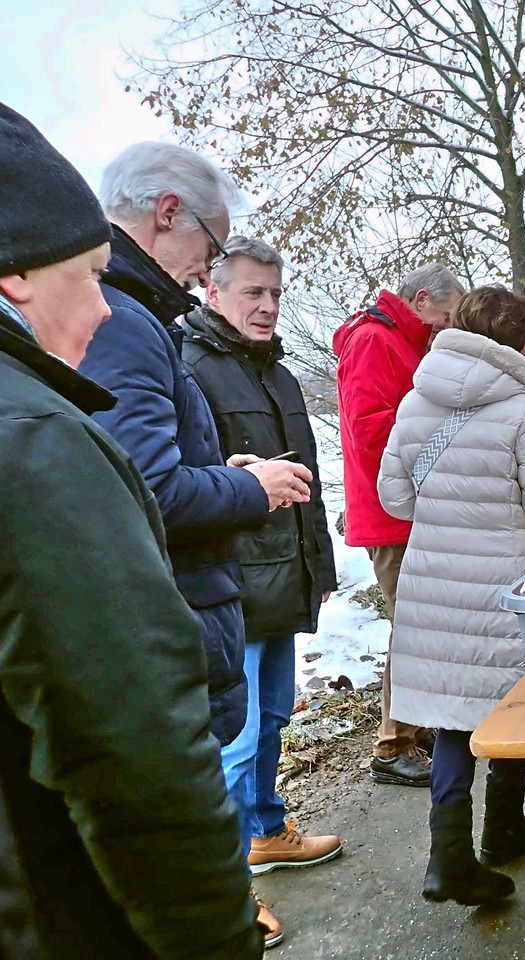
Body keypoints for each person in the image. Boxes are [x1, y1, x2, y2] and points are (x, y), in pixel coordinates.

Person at [0, 75, 262, 960]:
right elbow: (128, 736)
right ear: (15, 273)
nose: (107, 314)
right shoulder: (19, 437)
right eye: (92, 277)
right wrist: (216, 954)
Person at [79, 141, 315, 951]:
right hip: (213, 582)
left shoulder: (152, 322)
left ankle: (248, 853)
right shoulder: (131, 324)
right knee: (225, 740)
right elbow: (145, 483)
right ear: (169, 214)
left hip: (254, 575)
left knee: (261, 720)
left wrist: (229, 471)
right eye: (213, 251)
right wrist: (247, 488)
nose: (203, 266)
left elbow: (162, 457)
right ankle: (221, 905)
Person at [378, 285, 525, 906]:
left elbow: (395, 499)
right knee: (506, 705)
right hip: (500, 580)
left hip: (434, 580)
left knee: (451, 719)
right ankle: (503, 829)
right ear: (518, 341)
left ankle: (449, 856)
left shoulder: (416, 402)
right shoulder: (521, 411)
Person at [182, 236, 343, 886]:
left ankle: (267, 830)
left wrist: (321, 570)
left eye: (275, 293)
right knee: (235, 738)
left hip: (286, 578)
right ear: (213, 292)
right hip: (231, 588)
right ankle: (226, 889)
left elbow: (309, 487)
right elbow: (188, 485)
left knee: (274, 718)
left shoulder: (278, 374)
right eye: (253, 292)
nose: (268, 306)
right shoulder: (189, 367)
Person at [335, 263, 465, 788]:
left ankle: (417, 720)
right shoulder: (373, 341)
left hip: (407, 509)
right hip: (391, 514)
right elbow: (370, 429)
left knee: (425, 622)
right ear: (422, 299)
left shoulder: (404, 341)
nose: (446, 326)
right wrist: (442, 429)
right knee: (413, 627)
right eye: (446, 315)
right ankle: (392, 745)